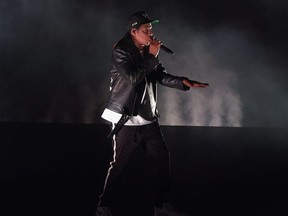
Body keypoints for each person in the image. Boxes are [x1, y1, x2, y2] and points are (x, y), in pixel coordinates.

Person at [96, 11, 209, 216]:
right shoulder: (121, 50)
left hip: (148, 119)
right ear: (134, 31)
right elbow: (133, 78)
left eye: (151, 30)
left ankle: (161, 206)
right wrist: (150, 57)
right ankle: (104, 207)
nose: (151, 34)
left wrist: (183, 82)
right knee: (119, 166)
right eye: (146, 30)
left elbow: (159, 75)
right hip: (125, 118)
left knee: (162, 160)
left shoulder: (147, 50)